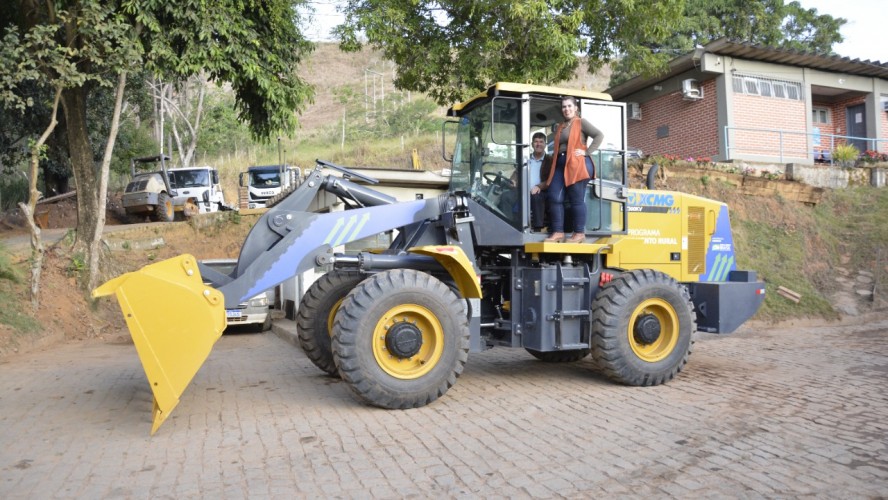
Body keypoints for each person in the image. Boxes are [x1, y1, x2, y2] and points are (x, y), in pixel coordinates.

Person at [542, 96, 604, 243]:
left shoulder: (581, 122)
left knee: (576, 199)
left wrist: (587, 152)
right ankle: (558, 232)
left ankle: (579, 233)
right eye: (564, 107)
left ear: (576, 108)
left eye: (569, 106)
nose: (566, 109)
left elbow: (599, 135)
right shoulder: (562, 126)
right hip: (561, 164)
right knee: (554, 195)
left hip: (577, 165)